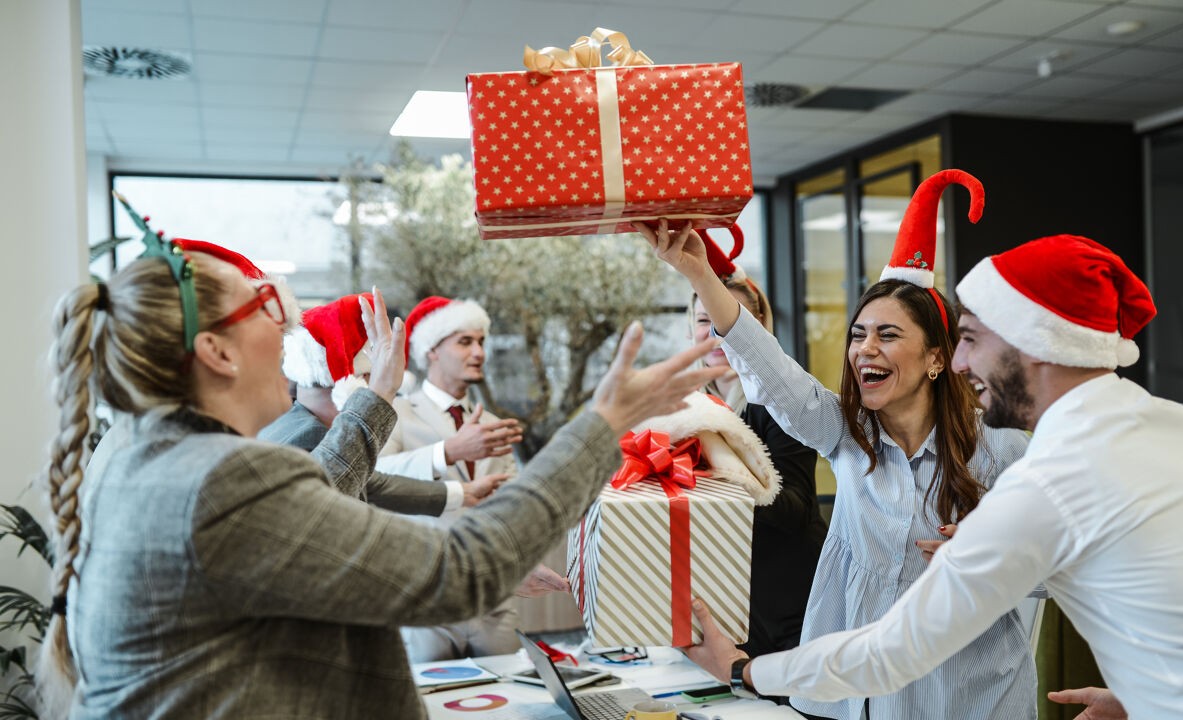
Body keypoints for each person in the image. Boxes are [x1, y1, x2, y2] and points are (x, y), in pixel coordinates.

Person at [36, 200, 729, 719]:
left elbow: (312, 497)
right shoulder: (218, 478)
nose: (287, 328)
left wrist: (375, 397)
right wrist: (603, 424)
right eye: (266, 306)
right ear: (215, 352)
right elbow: (463, 571)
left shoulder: (140, 460)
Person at [680, 234, 1183, 720]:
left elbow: (892, 652)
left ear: (1034, 343)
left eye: (970, 339)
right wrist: (1145, 695)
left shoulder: (1043, 474)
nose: (963, 360)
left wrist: (743, 669)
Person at [640, 169, 1036, 720]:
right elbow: (770, 372)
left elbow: (1069, 567)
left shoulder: (1002, 449)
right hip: (862, 702)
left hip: (971, 700)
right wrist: (700, 273)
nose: (864, 349)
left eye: (888, 335)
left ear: (936, 358)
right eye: (858, 334)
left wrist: (995, 553)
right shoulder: (848, 435)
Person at [374, 295, 540, 661]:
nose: (479, 352)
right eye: (465, 342)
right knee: (431, 695)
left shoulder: (491, 425)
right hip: (425, 600)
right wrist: (447, 451)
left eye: (481, 341)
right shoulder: (394, 412)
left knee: (509, 693)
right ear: (431, 351)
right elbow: (374, 477)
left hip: (492, 599)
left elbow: (511, 508)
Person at [689, 224, 826, 658]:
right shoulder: (685, 411)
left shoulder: (781, 406)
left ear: (756, 330)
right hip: (722, 605)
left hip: (790, 606)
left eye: (728, 320)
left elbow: (794, 511)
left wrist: (725, 472)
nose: (714, 333)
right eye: (703, 320)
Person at [261, 292, 500, 515]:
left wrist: (462, 493)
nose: (478, 353)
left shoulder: (298, 425)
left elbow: (373, 484)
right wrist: (381, 392)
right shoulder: (309, 437)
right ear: (357, 380)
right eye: (464, 342)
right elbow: (324, 502)